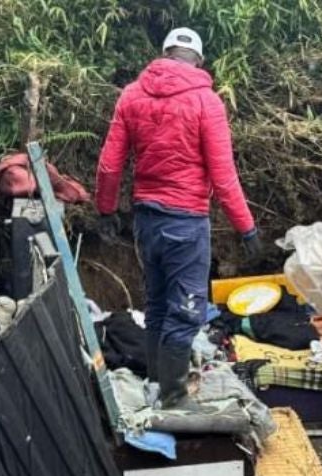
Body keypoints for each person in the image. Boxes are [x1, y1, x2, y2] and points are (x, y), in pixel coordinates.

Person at [94, 27, 260, 407]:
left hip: (146, 221)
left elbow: (109, 164)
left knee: (156, 303)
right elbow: (223, 174)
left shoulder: (132, 96)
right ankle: (172, 396)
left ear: (165, 53)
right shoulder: (207, 102)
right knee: (185, 310)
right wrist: (245, 226)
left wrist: (105, 208)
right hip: (185, 221)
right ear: (198, 61)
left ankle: (156, 382)